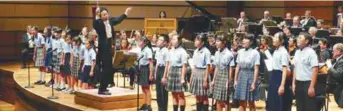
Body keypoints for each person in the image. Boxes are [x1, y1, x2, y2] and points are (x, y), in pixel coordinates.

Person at [93, 6, 132, 95]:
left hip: (109, 48)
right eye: (103, 15)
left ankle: (104, 87)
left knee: (108, 68)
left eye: (106, 14)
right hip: (103, 48)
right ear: (100, 16)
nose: (105, 16)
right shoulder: (99, 23)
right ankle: (102, 88)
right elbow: (94, 24)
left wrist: (125, 13)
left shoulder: (110, 21)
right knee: (105, 69)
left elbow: (118, 19)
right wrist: (96, 15)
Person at [292, 32, 319, 111]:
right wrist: (293, 83)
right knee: (299, 107)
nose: (297, 39)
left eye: (300, 38)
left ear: (306, 41)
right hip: (298, 82)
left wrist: (311, 87)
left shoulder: (311, 53)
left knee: (308, 107)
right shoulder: (297, 52)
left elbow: (315, 70)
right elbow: (295, 68)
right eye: (298, 37)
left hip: (308, 83)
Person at [234, 34, 260, 111]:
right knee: (241, 101)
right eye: (244, 38)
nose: (244, 40)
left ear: (251, 42)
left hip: (250, 76)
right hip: (241, 75)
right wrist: (235, 79)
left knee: (251, 101)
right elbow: (238, 66)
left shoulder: (255, 53)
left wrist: (254, 83)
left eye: (246, 39)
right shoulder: (240, 51)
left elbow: (256, 69)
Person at [267, 32, 292, 111]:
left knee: (278, 102)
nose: (273, 39)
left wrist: (282, 85)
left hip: (279, 77)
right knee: (272, 101)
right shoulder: (276, 50)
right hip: (274, 76)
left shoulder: (284, 52)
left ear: (282, 41)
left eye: (275, 37)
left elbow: (284, 69)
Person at [162, 34, 188, 111]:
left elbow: (184, 65)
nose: (172, 41)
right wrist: (166, 75)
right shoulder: (171, 50)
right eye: (172, 39)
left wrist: (182, 78)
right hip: (172, 71)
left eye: (174, 39)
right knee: (173, 94)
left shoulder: (182, 51)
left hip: (179, 71)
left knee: (180, 94)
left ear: (179, 41)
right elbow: (168, 64)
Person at [211, 34, 235, 111]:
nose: (216, 43)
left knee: (226, 100)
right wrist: (213, 80)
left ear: (224, 42)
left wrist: (229, 80)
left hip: (226, 76)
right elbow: (217, 67)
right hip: (218, 76)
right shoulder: (217, 52)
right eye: (216, 41)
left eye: (218, 41)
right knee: (218, 99)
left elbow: (231, 68)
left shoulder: (229, 54)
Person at [189, 33, 211, 111]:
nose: (195, 41)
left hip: (203, 73)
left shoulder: (206, 52)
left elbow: (208, 66)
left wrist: (205, 80)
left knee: (204, 96)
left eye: (197, 40)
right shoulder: (195, 51)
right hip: (196, 73)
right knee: (197, 95)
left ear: (202, 42)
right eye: (195, 39)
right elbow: (194, 66)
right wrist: (191, 77)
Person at [137, 36, 154, 111]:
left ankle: (149, 106)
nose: (139, 43)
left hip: (146, 69)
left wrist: (151, 74)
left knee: (147, 88)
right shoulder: (141, 49)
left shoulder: (148, 50)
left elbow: (151, 63)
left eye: (140, 41)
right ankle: (144, 104)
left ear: (144, 42)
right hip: (141, 69)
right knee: (143, 88)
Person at [154, 34, 169, 111]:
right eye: (158, 39)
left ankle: (164, 109)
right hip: (158, 70)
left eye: (160, 40)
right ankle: (160, 108)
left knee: (163, 93)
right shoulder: (157, 50)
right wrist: (155, 73)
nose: (158, 41)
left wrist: (164, 76)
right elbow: (157, 63)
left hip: (163, 70)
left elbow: (167, 64)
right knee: (158, 92)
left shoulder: (166, 51)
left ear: (165, 43)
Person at [327, 43, 343, 108]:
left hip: (338, 86)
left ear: (339, 51)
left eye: (334, 50)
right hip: (334, 85)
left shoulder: (342, 61)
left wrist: (330, 66)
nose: (332, 51)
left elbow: (337, 75)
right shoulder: (337, 59)